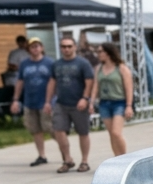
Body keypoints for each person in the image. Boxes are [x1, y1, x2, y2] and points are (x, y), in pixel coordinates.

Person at [46, 36, 95, 172]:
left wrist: (85, 98)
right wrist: (48, 101)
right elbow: (52, 82)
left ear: (75, 47)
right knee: (58, 130)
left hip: (79, 103)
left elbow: (89, 81)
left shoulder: (83, 63)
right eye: (63, 46)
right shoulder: (57, 64)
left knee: (83, 132)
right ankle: (67, 160)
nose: (66, 49)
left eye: (69, 46)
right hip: (61, 103)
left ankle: (84, 161)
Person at [10, 37, 54, 166]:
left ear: (42, 48)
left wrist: (50, 100)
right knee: (35, 129)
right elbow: (20, 81)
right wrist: (15, 99)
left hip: (46, 101)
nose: (35, 49)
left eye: (37, 46)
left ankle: (65, 152)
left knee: (51, 128)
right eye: (32, 47)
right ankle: (42, 155)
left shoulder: (49, 63)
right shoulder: (25, 64)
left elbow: (54, 82)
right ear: (28, 49)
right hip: (30, 101)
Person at [94, 42, 134, 157]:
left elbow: (129, 88)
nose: (99, 54)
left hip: (119, 102)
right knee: (111, 133)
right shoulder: (99, 68)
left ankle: (124, 156)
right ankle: (117, 157)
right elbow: (96, 86)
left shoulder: (121, 68)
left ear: (108, 52)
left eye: (100, 51)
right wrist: (91, 102)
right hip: (104, 103)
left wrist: (129, 105)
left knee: (116, 132)